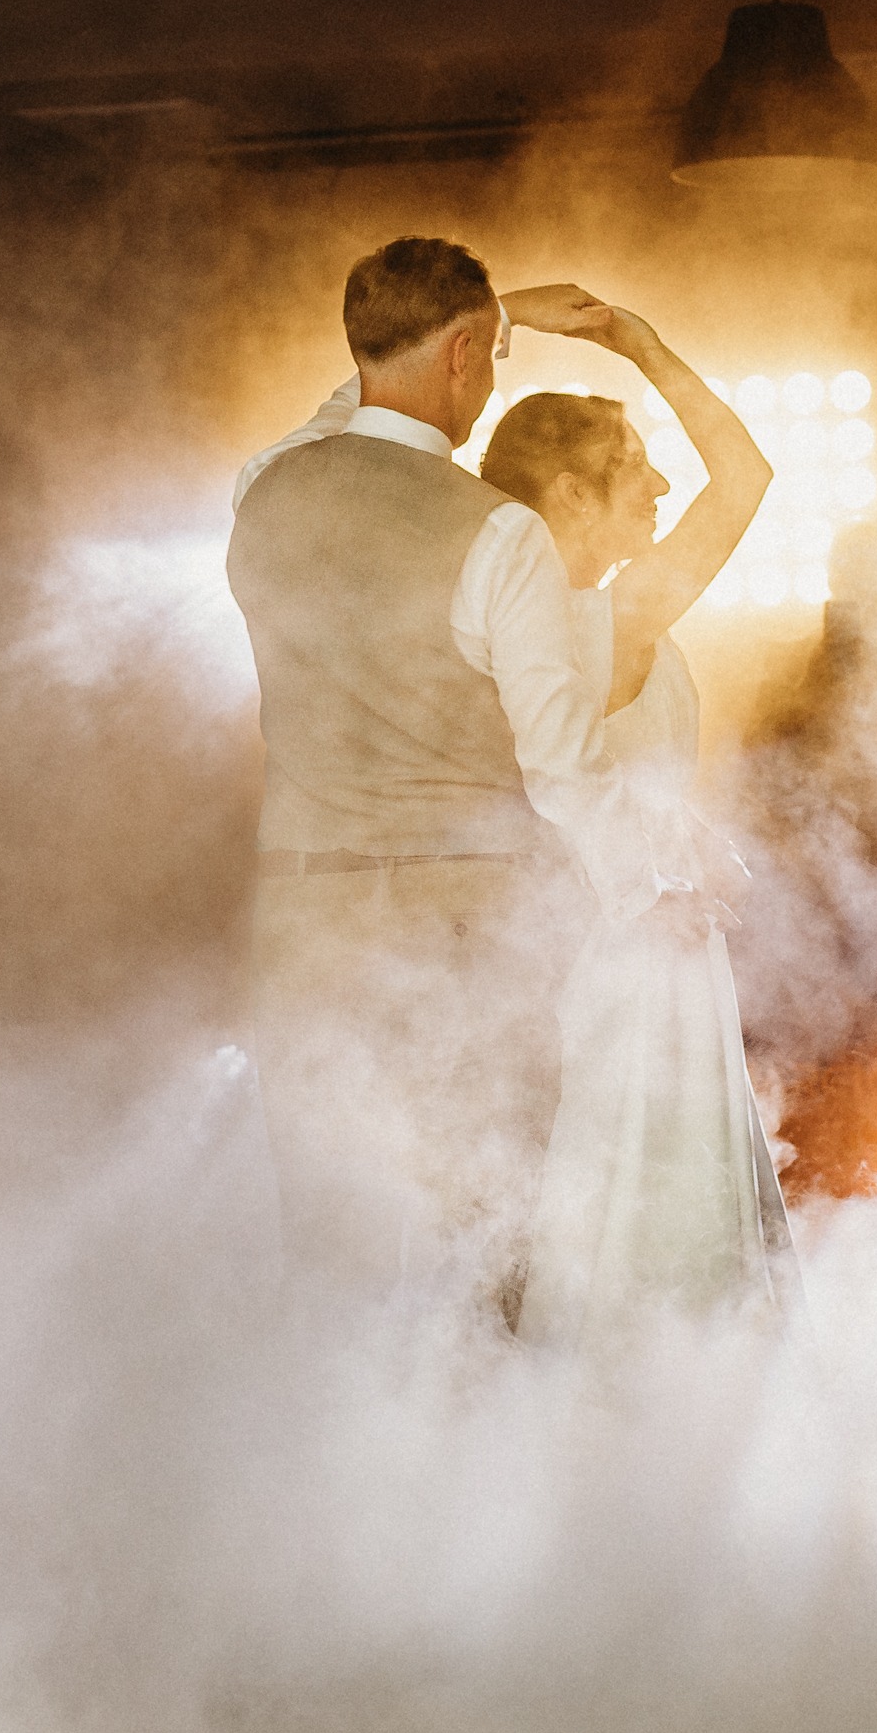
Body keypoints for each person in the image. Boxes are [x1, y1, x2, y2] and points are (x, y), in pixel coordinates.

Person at [226, 239, 710, 1331]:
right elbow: (560, 768)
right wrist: (648, 891)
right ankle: (480, 1470)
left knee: (333, 1237)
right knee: (485, 1233)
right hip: (460, 925)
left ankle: (332, 1468)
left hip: (300, 922)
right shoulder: (497, 534)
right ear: (461, 356)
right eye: (483, 356)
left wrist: (476, 320)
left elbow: (336, 416)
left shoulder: (262, 486)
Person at [472, 308, 802, 1344]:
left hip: (633, 942)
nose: (662, 490)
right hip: (620, 959)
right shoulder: (599, 622)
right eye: (635, 469)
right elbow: (743, 478)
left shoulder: (543, 618)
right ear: (568, 497)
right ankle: (646, 1411)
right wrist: (639, 346)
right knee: (639, 1215)